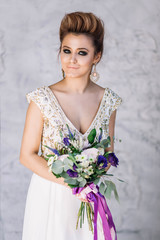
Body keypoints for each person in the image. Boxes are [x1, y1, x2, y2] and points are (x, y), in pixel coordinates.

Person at [19, 11, 122, 240]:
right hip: (50, 196)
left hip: (89, 198)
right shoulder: (42, 99)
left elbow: (108, 153)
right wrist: (74, 184)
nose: (71, 60)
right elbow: (27, 155)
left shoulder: (109, 101)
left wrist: (90, 177)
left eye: (82, 53)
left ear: (96, 57)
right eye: (67, 51)